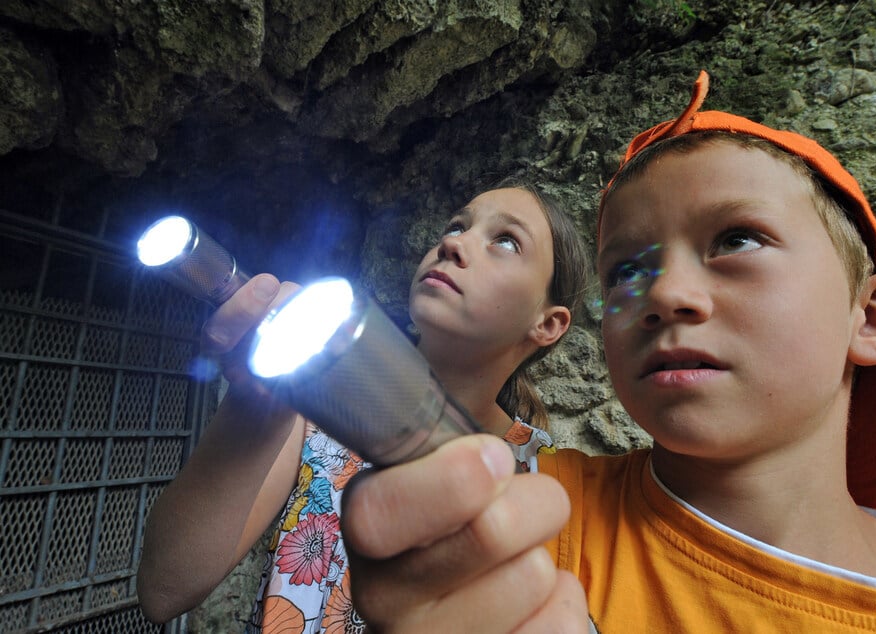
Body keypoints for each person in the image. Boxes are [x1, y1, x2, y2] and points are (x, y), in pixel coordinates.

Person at [338, 71, 876, 632]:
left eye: (736, 239)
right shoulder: (520, 519)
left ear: (872, 319)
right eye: (626, 271)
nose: (663, 293)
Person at [135, 178, 591, 633]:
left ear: (547, 324)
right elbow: (165, 590)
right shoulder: (309, 416)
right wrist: (263, 394)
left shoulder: (543, 477)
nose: (455, 242)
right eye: (457, 225)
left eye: (507, 241)